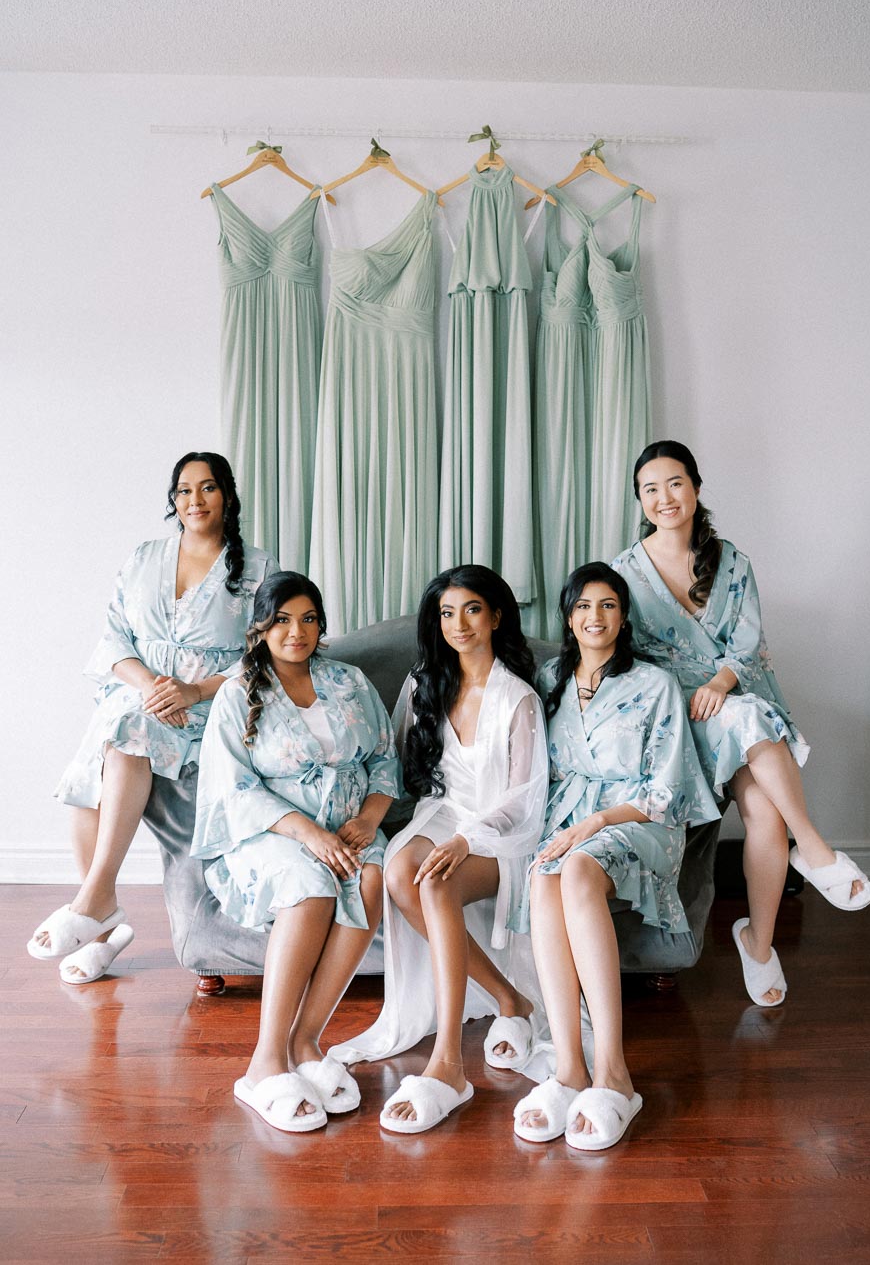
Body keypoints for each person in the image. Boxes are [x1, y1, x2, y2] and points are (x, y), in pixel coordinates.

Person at [614, 440, 870, 1008]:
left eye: (675, 483)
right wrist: (693, 693)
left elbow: (749, 642)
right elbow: (626, 658)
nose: (665, 498)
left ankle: (757, 943)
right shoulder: (624, 574)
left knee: (763, 813)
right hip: (680, 716)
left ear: (697, 488)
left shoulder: (731, 560)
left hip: (734, 698)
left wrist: (720, 684)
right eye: (651, 488)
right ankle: (816, 847)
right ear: (640, 499)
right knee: (750, 720)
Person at [29, 452, 277, 984]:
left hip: (212, 700)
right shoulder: (144, 557)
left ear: (228, 497)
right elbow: (115, 639)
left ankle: (96, 908)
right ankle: (99, 920)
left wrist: (192, 690)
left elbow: (265, 655)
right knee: (87, 776)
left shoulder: (258, 570)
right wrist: (151, 686)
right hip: (139, 695)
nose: (195, 500)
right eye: (184, 490)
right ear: (174, 500)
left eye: (208, 488)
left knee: (124, 737)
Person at [330, 565, 548, 1134]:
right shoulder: (425, 681)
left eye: (472, 609)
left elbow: (526, 800)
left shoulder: (518, 698)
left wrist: (466, 840)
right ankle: (509, 997)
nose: (459, 624)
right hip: (442, 814)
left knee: (434, 881)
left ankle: (448, 1062)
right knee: (402, 873)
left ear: (497, 616)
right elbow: (400, 767)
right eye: (447, 613)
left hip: (502, 830)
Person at [512, 563, 720, 1150]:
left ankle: (615, 1073)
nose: (594, 617)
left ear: (623, 617)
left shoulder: (653, 684)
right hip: (563, 822)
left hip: (637, 820)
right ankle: (569, 1069)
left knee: (575, 867)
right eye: (583, 606)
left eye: (607, 606)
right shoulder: (549, 678)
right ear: (568, 615)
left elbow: (666, 790)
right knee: (544, 875)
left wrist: (599, 820)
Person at [191, 572, 401, 1134]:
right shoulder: (239, 693)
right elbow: (233, 788)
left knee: (371, 879)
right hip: (272, 833)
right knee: (309, 886)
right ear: (260, 627)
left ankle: (307, 1043)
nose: (297, 631)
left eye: (308, 619)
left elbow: (384, 761)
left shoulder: (349, 680)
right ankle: (263, 1065)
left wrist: (366, 820)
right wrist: (310, 835)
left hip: (351, 826)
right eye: (282, 619)